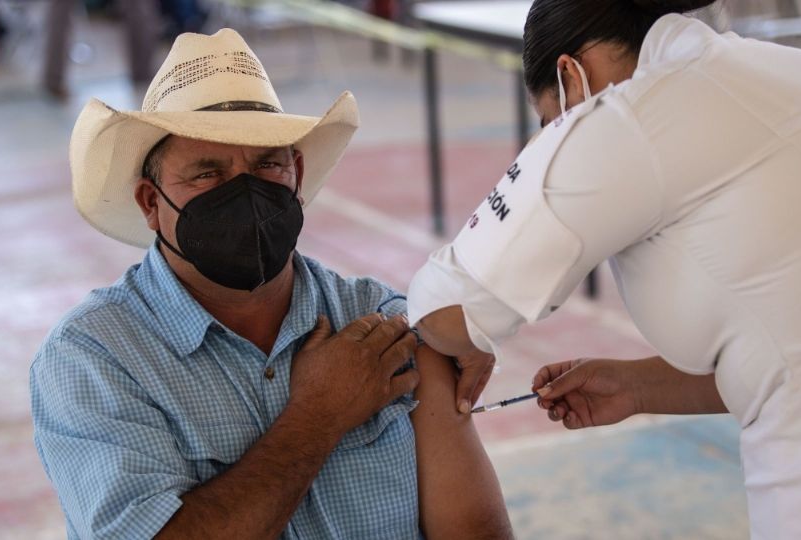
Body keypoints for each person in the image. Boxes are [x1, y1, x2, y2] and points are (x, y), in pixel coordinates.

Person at [407, 0, 801, 537]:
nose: (554, 135)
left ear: (569, 75)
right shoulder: (796, 75)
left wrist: (468, 340)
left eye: (548, 121)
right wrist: (637, 387)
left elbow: (445, 309)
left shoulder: (629, 115)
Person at [30, 29, 512, 538]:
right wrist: (317, 417)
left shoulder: (382, 324)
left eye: (266, 164)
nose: (246, 193)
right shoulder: (94, 359)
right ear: (150, 203)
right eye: (207, 174)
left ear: (296, 174)